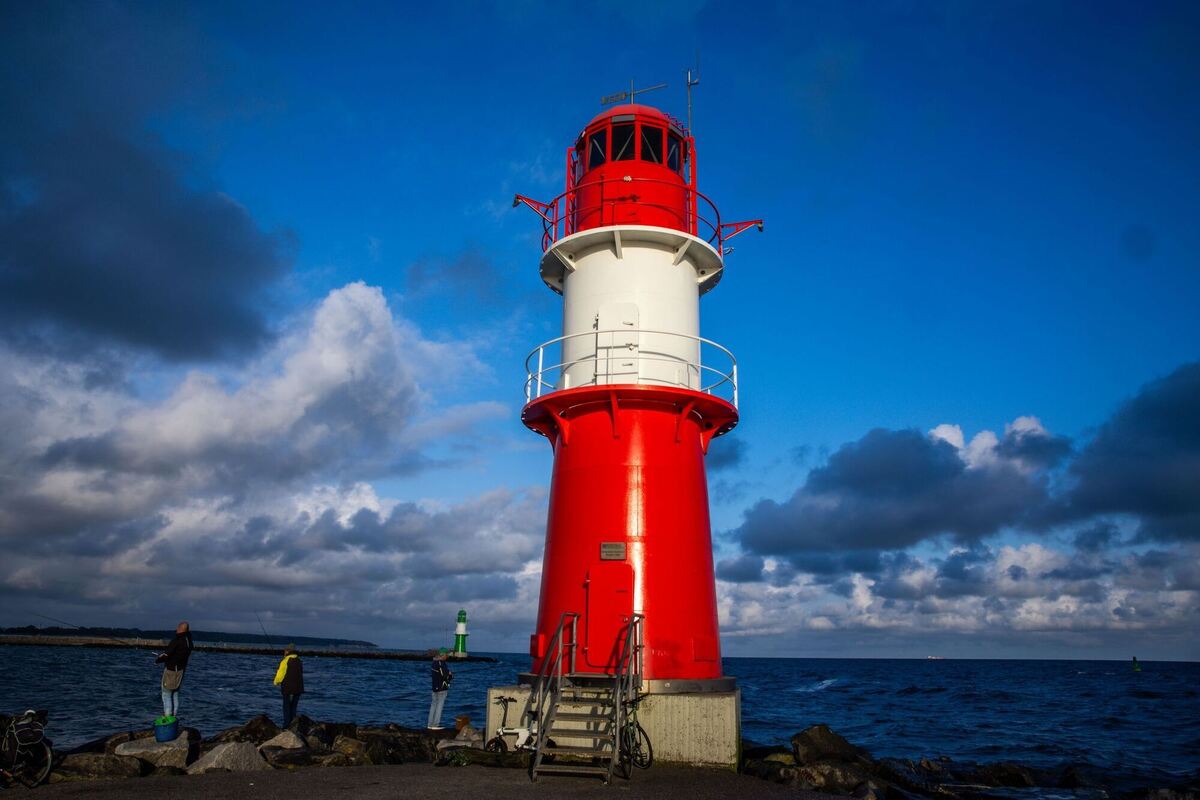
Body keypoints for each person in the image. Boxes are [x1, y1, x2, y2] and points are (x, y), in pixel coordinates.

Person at [155, 621, 193, 718]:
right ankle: (174, 717)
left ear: (180, 629)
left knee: (166, 694)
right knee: (175, 694)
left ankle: (168, 718)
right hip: (181, 670)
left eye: (177, 628)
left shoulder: (177, 640)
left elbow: (167, 654)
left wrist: (158, 660)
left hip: (172, 670)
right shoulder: (189, 641)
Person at [273, 644, 304, 728]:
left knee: (286, 706)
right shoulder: (299, 660)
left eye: (285, 650)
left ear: (287, 651)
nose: (284, 652)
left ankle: (286, 725)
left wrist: (276, 682)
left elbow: (281, 673)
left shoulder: (285, 661)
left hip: (287, 687)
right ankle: (293, 725)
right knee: (294, 707)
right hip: (299, 688)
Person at [427, 648, 453, 729]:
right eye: (446, 655)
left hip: (434, 687)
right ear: (443, 655)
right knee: (439, 706)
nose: (447, 656)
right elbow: (445, 676)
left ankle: (430, 724)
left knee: (433, 705)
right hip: (441, 688)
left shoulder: (434, 662)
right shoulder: (441, 663)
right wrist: (450, 675)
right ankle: (435, 725)